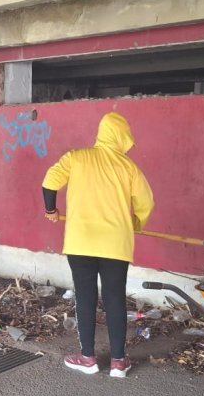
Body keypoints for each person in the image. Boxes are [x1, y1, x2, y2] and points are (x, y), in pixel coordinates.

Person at [42, 112, 154, 378]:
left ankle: (88, 358)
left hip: (81, 242)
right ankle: (118, 362)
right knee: (115, 299)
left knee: (85, 298)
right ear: (121, 138)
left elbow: (50, 182)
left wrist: (51, 210)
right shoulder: (129, 168)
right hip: (116, 243)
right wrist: (137, 225)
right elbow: (146, 204)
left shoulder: (76, 158)